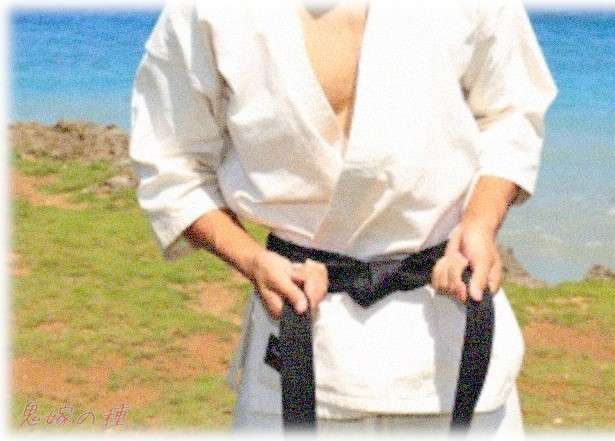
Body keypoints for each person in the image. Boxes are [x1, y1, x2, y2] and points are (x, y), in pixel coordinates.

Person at [129, 0, 557, 436]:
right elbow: (172, 162)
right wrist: (253, 260)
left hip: (453, 337)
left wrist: (480, 223)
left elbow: (513, 111)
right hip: (297, 345)